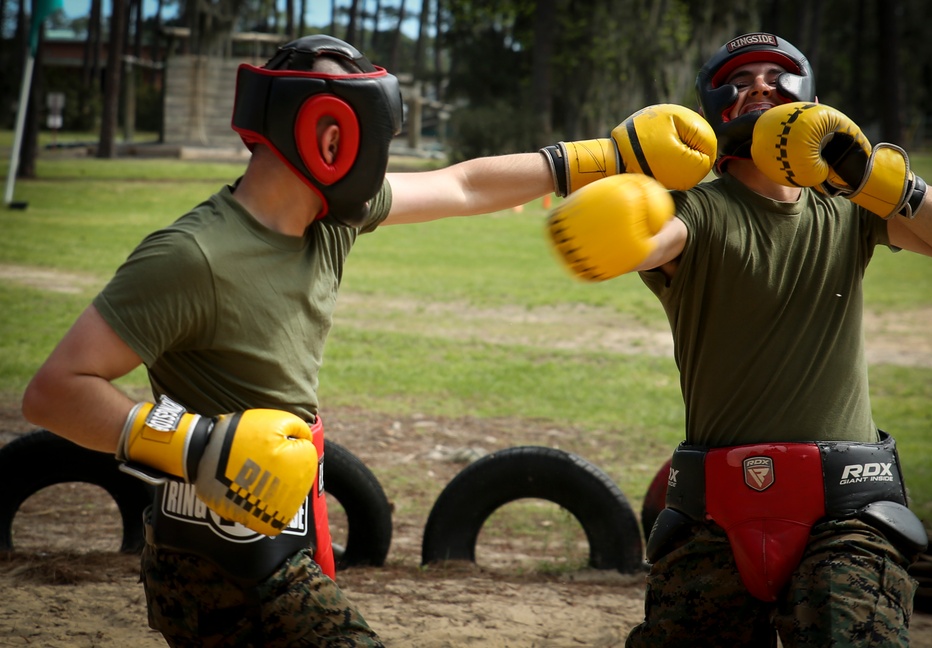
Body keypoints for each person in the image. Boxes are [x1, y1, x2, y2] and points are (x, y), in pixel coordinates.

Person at [19, 34, 712, 647]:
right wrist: (193, 443)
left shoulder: (329, 219)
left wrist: (606, 155)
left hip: (280, 532)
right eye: (373, 130)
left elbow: (463, 184)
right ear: (328, 135)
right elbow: (54, 392)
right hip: (213, 561)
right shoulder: (193, 256)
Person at [545, 32, 932, 647]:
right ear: (715, 108)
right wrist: (611, 224)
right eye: (741, 77)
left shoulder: (850, 209)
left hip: (848, 507)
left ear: (808, 99)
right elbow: (652, 243)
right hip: (713, 512)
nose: (759, 84)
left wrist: (873, 178)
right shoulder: (696, 210)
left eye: (775, 75)